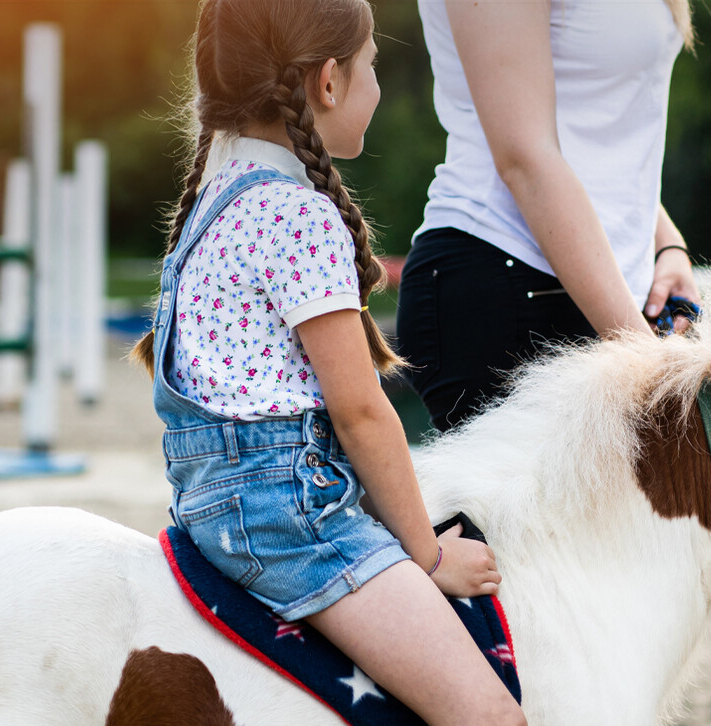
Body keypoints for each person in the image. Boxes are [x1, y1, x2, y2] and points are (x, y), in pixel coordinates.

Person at [130, 0, 525, 722]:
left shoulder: (211, 202)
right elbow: (361, 411)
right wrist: (429, 558)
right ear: (329, 83)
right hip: (292, 518)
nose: (375, 85)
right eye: (371, 66)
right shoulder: (295, 211)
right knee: (490, 717)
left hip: (207, 504)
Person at [396, 0, 702, 432]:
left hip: (600, 292)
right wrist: (648, 362)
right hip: (511, 277)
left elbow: (597, 140)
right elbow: (524, 157)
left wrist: (666, 244)